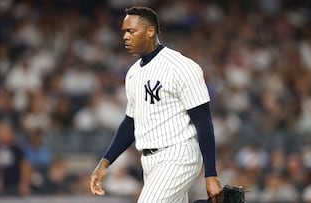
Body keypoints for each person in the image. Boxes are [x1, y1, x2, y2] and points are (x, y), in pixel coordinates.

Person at [90, 6, 223, 203]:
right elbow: (130, 123)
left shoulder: (181, 67)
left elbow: (203, 122)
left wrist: (211, 174)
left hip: (178, 154)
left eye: (131, 31)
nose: (125, 37)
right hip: (149, 161)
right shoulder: (133, 73)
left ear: (150, 31)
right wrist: (105, 162)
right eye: (124, 32)